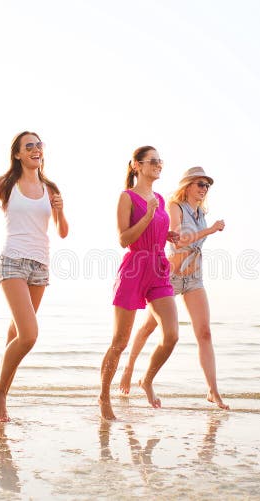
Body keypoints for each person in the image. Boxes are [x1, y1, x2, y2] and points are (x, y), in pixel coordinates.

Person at [0, 131, 69, 421]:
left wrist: (61, 211)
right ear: (17, 154)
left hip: (40, 265)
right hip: (13, 261)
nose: (35, 149)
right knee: (29, 335)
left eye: (39, 145)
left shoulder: (50, 188)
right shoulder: (5, 184)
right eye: (29, 146)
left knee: (16, 333)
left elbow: (62, 231)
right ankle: (0, 392)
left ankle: (3, 391)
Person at [119, 167, 229, 409]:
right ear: (188, 185)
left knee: (205, 333)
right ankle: (129, 370)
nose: (204, 189)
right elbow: (179, 238)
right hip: (171, 275)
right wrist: (211, 230)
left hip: (195, 278)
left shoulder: (200, 212)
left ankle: (213, 390)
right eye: (200, 184)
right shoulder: (174, 207)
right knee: (149, 327)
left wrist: (207, 227)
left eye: (207, 185)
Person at [99, 146, 180, 420]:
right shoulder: (127, 197)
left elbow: (152, 231)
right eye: (153, 161)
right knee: (119, 342)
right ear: (137, 165)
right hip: (134, 269)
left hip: (158, 268)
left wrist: (166, 234)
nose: (159, 165)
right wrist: (147, 216)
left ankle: (146, 380)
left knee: (171, 336)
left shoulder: (158, 197)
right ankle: (104, 396)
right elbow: (124, 239)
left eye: (161, 160)